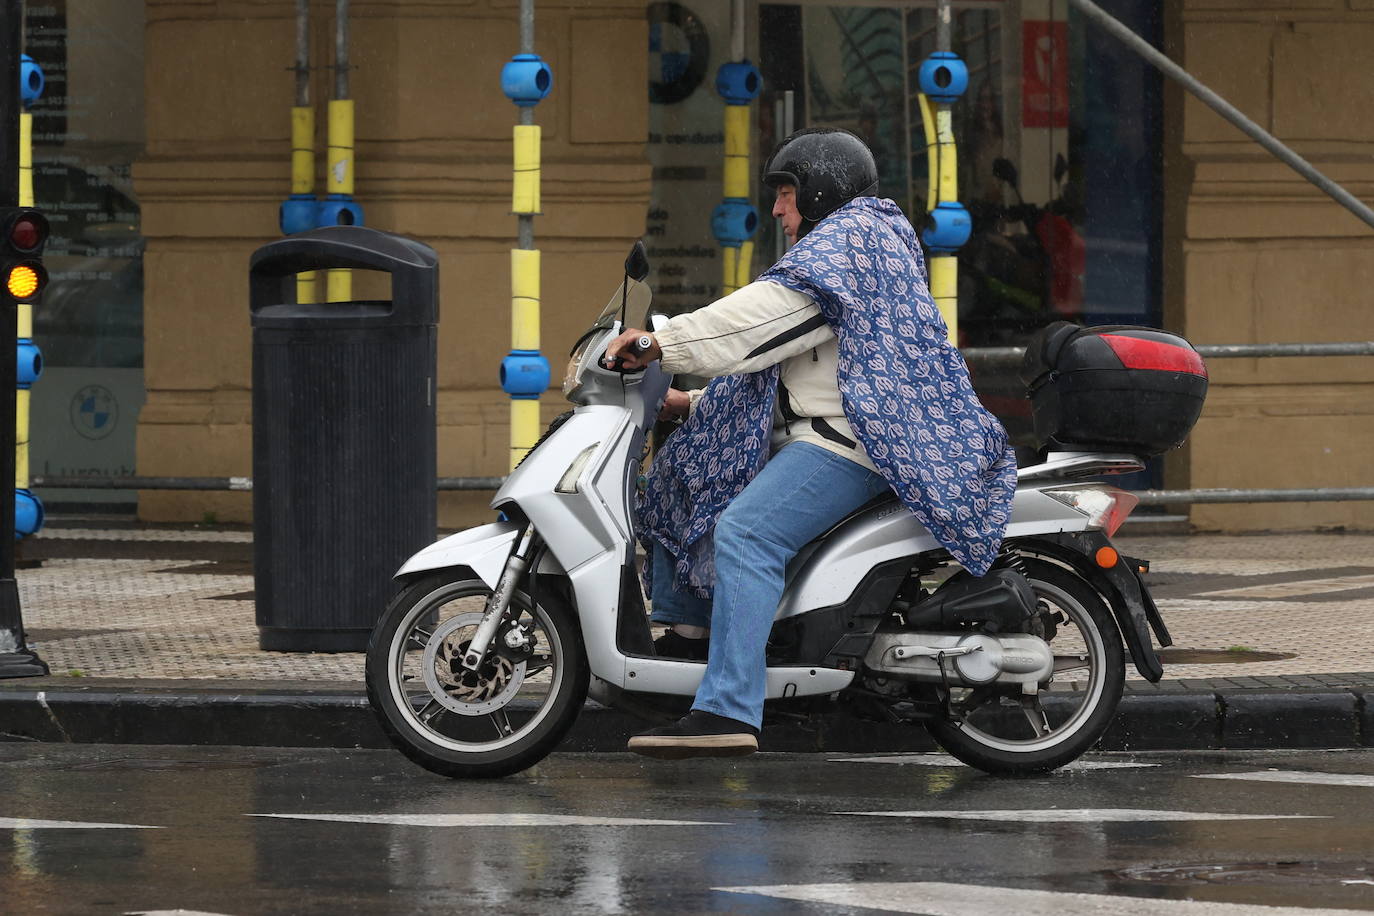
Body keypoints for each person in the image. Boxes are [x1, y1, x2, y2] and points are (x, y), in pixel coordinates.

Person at [604, 128, 1016, 760]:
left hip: (855, 443)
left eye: (788, 193)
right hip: (827, 432)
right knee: (685, 475)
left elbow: (758, 325)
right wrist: (691, 403)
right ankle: (692, 640)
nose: (777, 209)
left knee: (746, 531)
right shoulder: (850, 243)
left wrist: (659, 341)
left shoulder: (849, 246)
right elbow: (782, 359)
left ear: (823, 192)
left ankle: (729, 709)